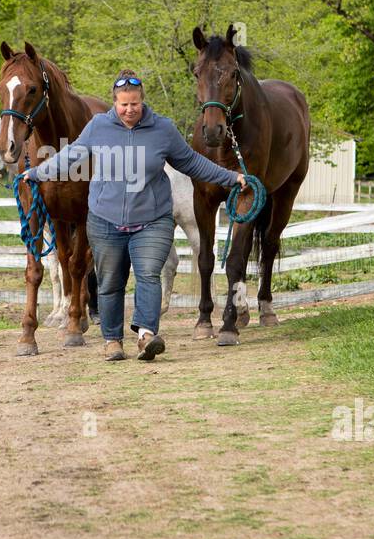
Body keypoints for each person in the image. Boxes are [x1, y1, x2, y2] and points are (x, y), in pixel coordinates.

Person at [20, 69, 246, 363]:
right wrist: (37, 172)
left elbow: (193, 163)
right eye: (124, 104)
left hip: (152, 218)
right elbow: (71, 155)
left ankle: (146, 335)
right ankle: (113, 340)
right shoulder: (98, 127)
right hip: (105, 219)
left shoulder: (162, 129)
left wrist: (231, 177)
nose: (130, 110)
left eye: (135, 104)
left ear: (143, 101)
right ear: (115, 103)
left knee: (148, 274)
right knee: (111, 281)